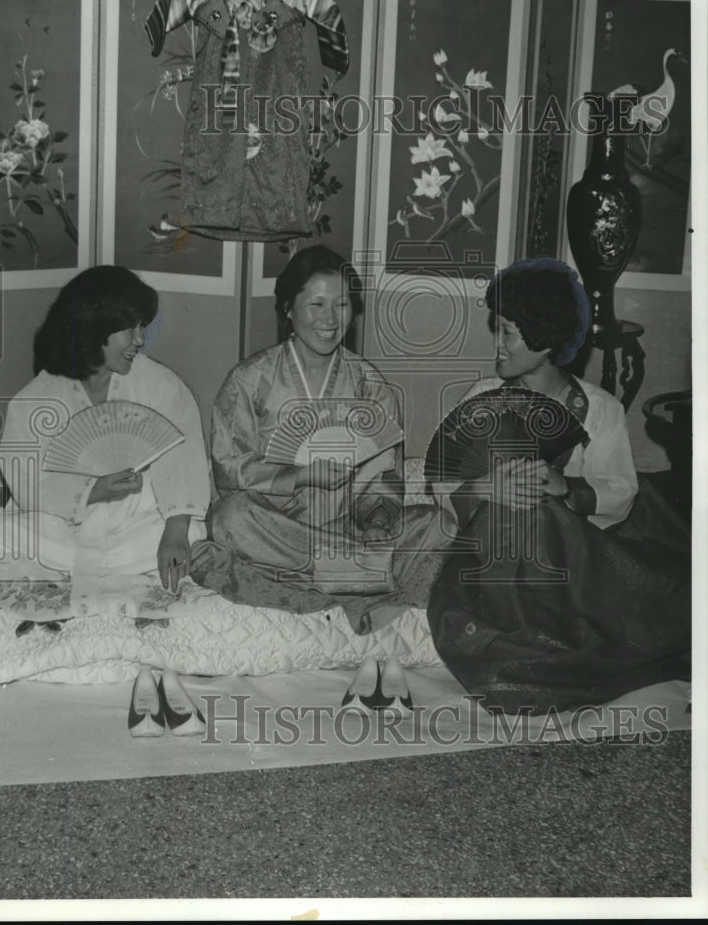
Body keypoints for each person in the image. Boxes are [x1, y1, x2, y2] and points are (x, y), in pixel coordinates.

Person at [426, 257, 691, 714]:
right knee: (511, 513)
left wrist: (565, 487)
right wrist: (485, 488)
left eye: (507, 331)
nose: (497, 343)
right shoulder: (479, 399)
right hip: (491, 566)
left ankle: (547, 648)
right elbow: (442, 485)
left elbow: (621, 492)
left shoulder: (599, 409)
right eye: (498, 328)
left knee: (541, 513)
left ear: (544, 339)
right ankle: (513, 645)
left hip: (572, 567)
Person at [190, 245, 455, 633]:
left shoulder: (370, 385)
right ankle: (358, 578)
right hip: (275, 526)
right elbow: (230, 470)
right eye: (316, 304)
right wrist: (298, 477)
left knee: (443, 524)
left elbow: (383, 476)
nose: (330, 319)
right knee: (229, 520)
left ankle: (323, 577)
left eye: (342, 305)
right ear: (288, 309)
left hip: (346, 528)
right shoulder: (249, 380)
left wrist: (377, 519)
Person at [0, 266, 211, 594]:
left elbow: (183, 460)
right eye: (129, 329)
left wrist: (175, 534)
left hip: (138, 517)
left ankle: (82, 565)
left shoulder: (160, 384)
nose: (140, 340)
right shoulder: (37, 398)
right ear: (94, 329)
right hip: (67, 524)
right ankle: (110, 564)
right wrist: (93, 490)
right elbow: (26, 480)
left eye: (141, 327)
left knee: (193, 532)